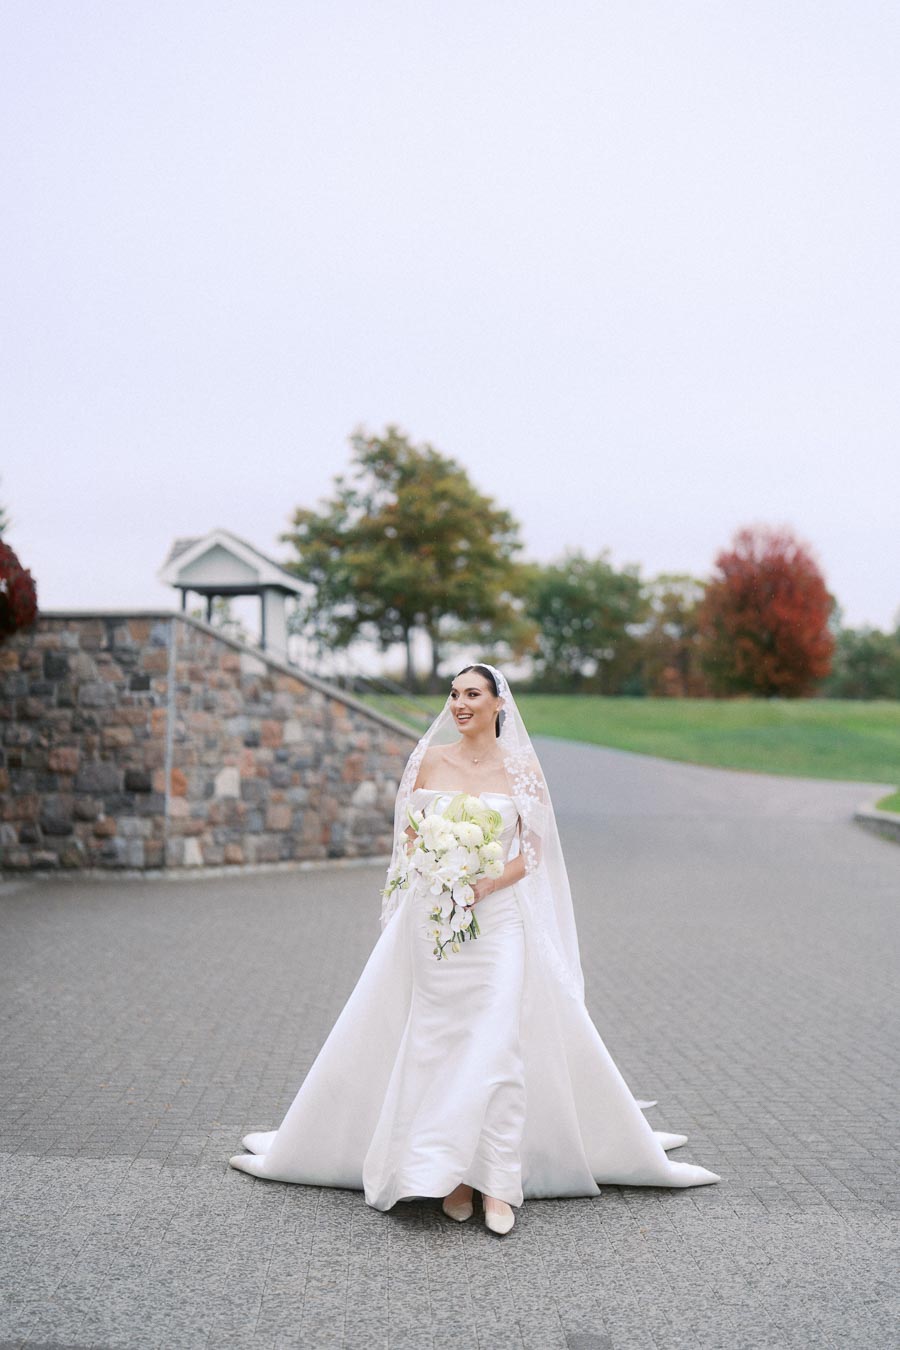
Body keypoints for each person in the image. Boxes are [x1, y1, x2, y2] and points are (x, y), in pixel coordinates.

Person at [229, 662, 720, 1234]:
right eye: (454, 694)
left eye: (472, 695)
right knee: (437, 1043)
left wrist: (485, 881)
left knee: (496, 1046)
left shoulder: (523, 769)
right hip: (434, 923)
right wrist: (438, 865)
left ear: (497, 705)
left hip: (499, 922)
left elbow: (532, 855)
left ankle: (497, 1185)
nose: (460, 704)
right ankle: (452, 1174)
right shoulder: (430, 759)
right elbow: (409, 836)